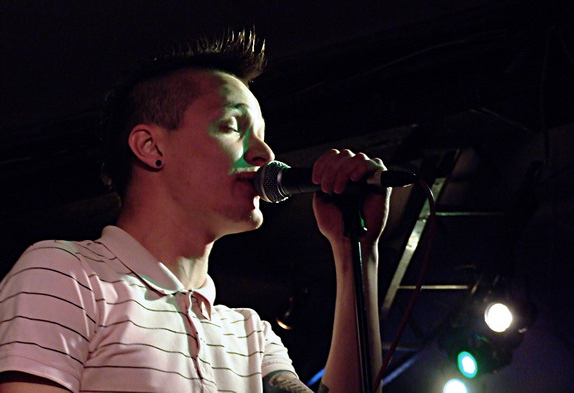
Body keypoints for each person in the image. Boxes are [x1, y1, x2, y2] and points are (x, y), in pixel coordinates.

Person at [0, 30, 389, 392]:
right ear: (151, 147)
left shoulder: (250, 335)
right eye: (233, 126)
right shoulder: (66, 274)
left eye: (261, 136)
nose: (264, 154)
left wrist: (355, 249)